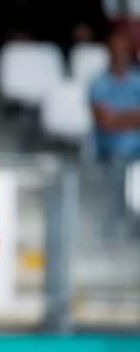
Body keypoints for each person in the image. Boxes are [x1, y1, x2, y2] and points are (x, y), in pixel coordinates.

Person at [90, 25, 140, 238]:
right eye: (116, 51)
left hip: (136, 150)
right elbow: (106, 122)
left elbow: (113, 118)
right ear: (109, 53)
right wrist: (133, 116)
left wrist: (120, 117)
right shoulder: (99, 83)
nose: (121, 56)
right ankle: (113, 230)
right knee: (120, 165)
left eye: (124, 51)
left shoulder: (137, 80)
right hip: (110, 152)